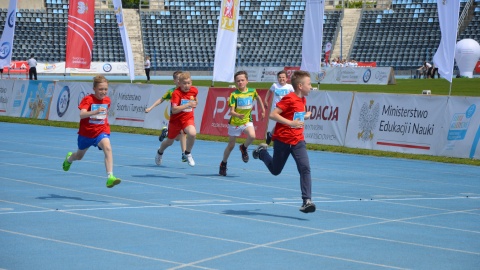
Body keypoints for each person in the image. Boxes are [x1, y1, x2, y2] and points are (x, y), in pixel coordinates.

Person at [252, 70, 316, 213]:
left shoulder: (303, 100)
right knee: (275, 170)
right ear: (300, 86)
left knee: (305, 168)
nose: (311, 87)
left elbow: (296, 117)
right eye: (309, 84)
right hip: (282, 140)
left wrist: (304, 116)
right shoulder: (289, 98)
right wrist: (290, 123)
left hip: (298, 141)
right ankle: (262, 152)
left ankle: (307, 201)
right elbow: (273, 115)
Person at [62, 75, 121, 188]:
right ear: (94, 89)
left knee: (108, 148)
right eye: (100, 89)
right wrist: (95, 112)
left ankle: (110, 177)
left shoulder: (107, 100)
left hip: (101, 131)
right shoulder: (88, 99)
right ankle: (69, 159)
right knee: (79, 156)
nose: (103, 92)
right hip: (86, 134)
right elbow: (82, 114)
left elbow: (103, 115)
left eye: (105, 89)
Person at [219, 70, 265, 176]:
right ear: (235, 83)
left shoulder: (252, 91)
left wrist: (263, 110)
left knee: (252, 136)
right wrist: (238, 115)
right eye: (238, 81)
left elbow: (258, 99)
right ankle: (223, 163)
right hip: (235, 122)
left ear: (247, 81)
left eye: (242, 80)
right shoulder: (234, 95)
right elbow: (231, 111)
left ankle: (244, 147)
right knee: (231, 145)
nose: (240, 82)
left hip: (246, 121)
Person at [155, 72, 198, 167]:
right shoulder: (176, 93)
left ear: (191, 82)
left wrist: (194, 103)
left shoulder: (194, 90)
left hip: (187, 118)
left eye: (188, 83)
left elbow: (195, 99)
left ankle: (187, 153)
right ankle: (160, 152)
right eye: (184, 83)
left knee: (192, 133)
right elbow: (174, 110)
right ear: (179, 83)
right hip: (176, 120)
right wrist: (187, 105)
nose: (187, 86)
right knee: (169, 142)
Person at [145, 70, 187, 162]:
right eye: (179, 79)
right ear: (175, 81)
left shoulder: (186, 91)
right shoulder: (171, 92)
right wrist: (150, 108)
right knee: (170, 141)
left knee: (182, 134)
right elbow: (161, 100)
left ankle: (184, 153)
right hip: (174, 118)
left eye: (182, 79)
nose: (180, 81)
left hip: (183, 117)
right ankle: (160, 152)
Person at [264, 70, 294, 145]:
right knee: (282, 123)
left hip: (286, 108)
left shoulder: (289, 87)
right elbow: (269, 92)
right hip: (277, 109)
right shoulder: (275, 85)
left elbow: (294, 95)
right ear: (277, 78)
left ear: (286, 78)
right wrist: (266, 100)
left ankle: (271, 135)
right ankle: (277, 139)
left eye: (283, 77)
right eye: (280, 77)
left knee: (281, 124)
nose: (281, 79)